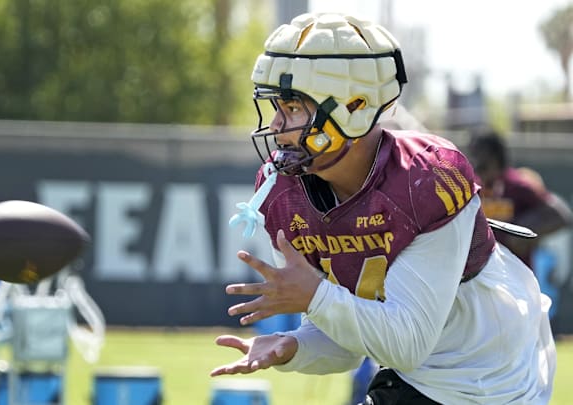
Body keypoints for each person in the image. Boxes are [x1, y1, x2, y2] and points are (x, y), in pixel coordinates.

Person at [212, 12, 555, 404]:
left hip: (490, 380)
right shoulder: (283, 195)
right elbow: (348, 337)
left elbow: (405, 343)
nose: (275, 125)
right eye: (276, 107)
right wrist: (294, 345)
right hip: (413, 379)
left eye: (292, 108)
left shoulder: (425, 178)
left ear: (352, 108)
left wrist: (316, 297)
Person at [467, 131, 572, 267]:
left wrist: (527, 230)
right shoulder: (472, 188)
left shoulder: (518, 186)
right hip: (484, 273)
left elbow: (561, 215)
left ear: (494, 158)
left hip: (517, 273)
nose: (475, 164)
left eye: (480, 158)